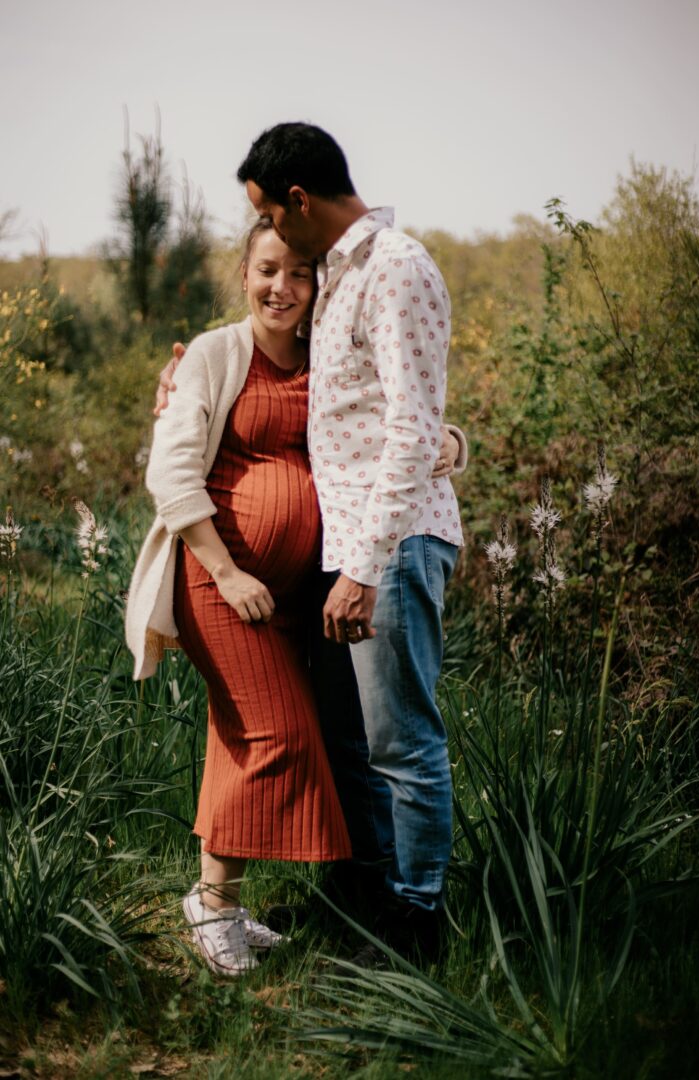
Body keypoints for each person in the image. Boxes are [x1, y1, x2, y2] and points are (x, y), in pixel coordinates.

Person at [159, 123, 466, 965]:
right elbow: (350, 409)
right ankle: (364, 897)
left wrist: (364, 568)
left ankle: (414, 921)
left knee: (402, 744)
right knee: (351, 744)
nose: (275, 244)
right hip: (346, 559)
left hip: (391, 547)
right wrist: (188, 378)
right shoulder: (337, 279)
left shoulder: (395, 267)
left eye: (272, 218)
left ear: (298, 201)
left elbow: (410, 425)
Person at [126, 219, 355, 977]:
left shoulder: (328, 360)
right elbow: (172, 473)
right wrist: (226, 570)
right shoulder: (216, 355)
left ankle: (221, 898)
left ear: (318, 284)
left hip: (288, 596)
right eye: (266, 270)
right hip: (218, 581)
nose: (280, 288)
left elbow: (393, 423)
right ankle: (213, 907)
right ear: (244, 272)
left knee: (237, 736)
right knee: (279, 734)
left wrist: (451, 444)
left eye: (298, 273)